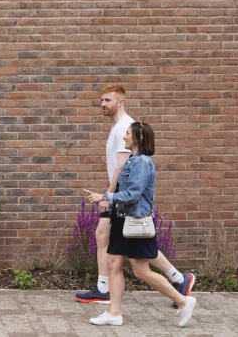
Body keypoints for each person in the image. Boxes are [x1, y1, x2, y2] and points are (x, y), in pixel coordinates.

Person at [74, 85, 194, 307]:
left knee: (118, 240)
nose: (103, 104)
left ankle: (104, 289)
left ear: (120, 102)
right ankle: (178, 278)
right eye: (102, 100)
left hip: (119, 197)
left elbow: (121, 166)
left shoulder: (125, 128)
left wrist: (107, 196)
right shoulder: (118, 128)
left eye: (108, 100)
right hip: (118, 196)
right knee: (131, 245)